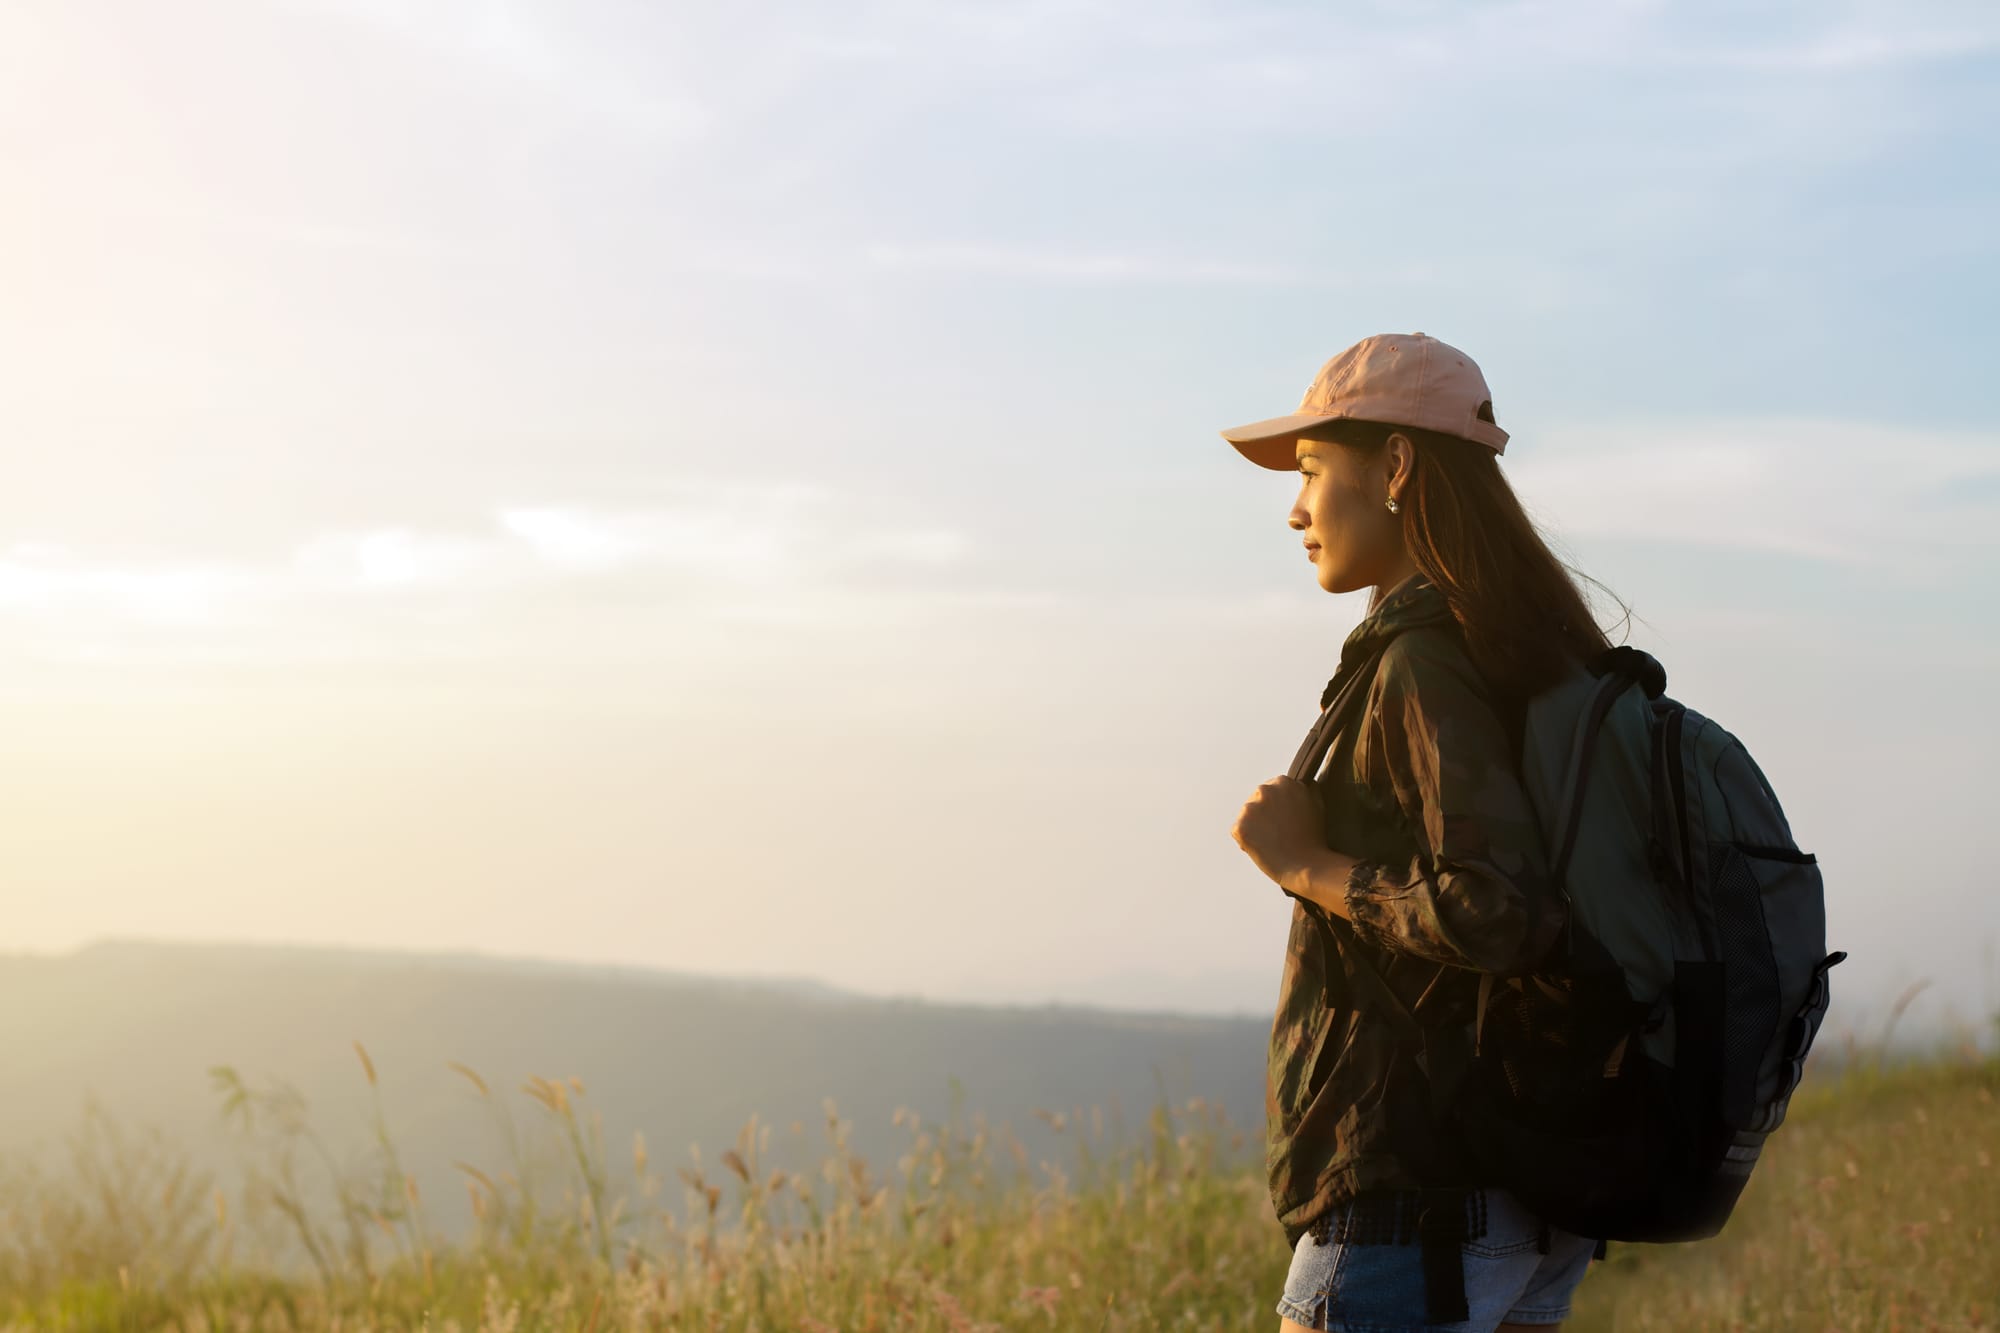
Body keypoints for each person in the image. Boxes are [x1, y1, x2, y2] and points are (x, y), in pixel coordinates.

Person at [1221, 333, 1619, 1332]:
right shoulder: (1541, 656)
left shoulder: (1424, 662)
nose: (1294, 508)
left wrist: (1306, 864)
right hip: (1525, 1197)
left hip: (1414, 1205)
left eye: (1312, 471)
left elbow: (1493, 909)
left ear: (1394, 466)